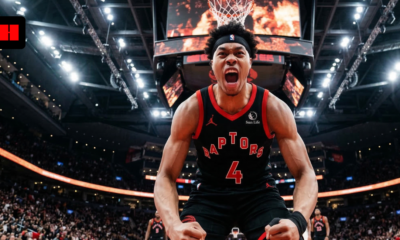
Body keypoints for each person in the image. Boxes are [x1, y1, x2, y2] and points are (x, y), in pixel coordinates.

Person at [154, 21, 318, 240]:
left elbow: (305, 172)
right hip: (209, 194)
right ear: (212, 65)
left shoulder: (272, 107)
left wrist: (298, 221)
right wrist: (172, 224)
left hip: (259, 193)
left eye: (239, 53)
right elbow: (165, 175)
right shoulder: (192, 108)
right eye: (222, 54)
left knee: (284, 237)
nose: (231, 58)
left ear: (250, 62)